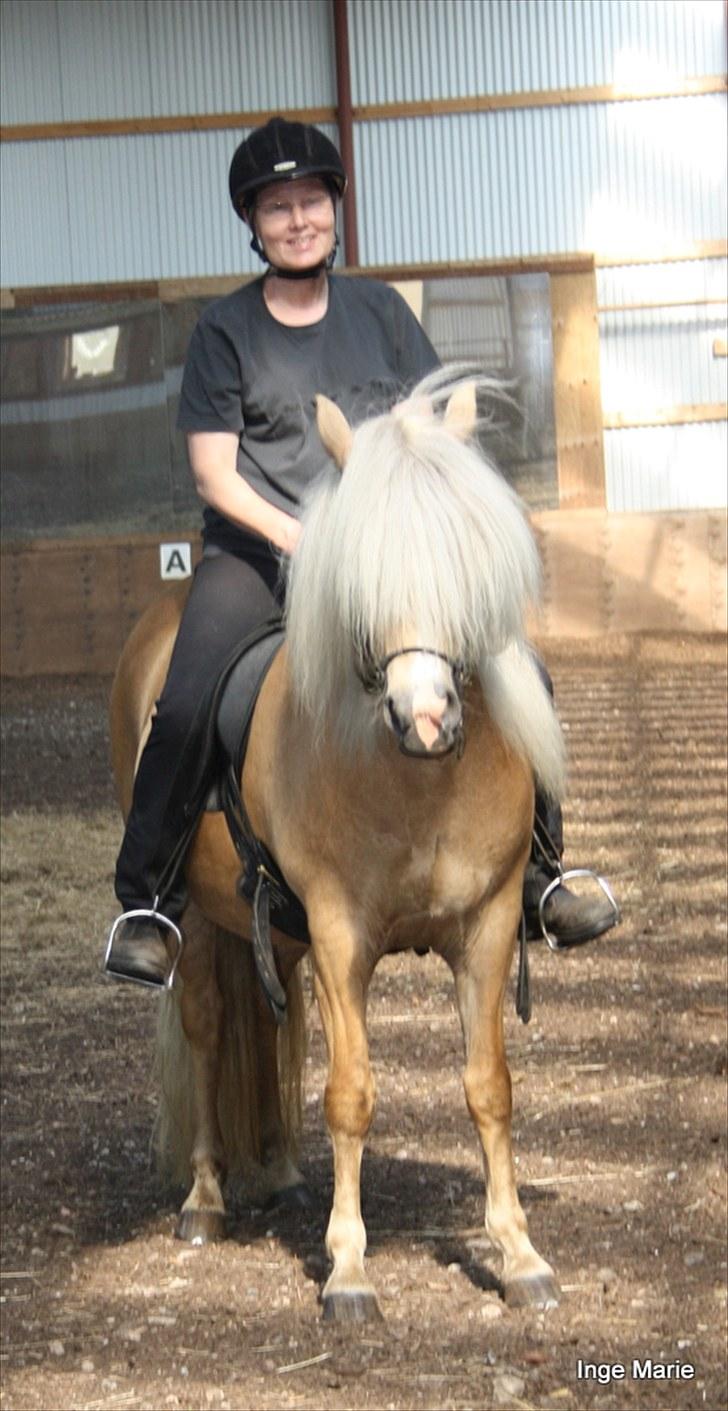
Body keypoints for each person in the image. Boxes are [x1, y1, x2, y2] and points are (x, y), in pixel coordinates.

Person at [105, 117, 619, 988]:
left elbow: (429, 433)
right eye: (277, 207)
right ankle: (148, 900)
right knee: (187, 699)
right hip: (265, 555)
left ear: (335, 210)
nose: (297, 219)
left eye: (311, 200)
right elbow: (215, 473)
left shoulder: (382, 312)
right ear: (253, 223)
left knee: (520, 666)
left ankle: (542, 873)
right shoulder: (225, 331)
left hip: (391, 561)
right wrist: (302, 535)